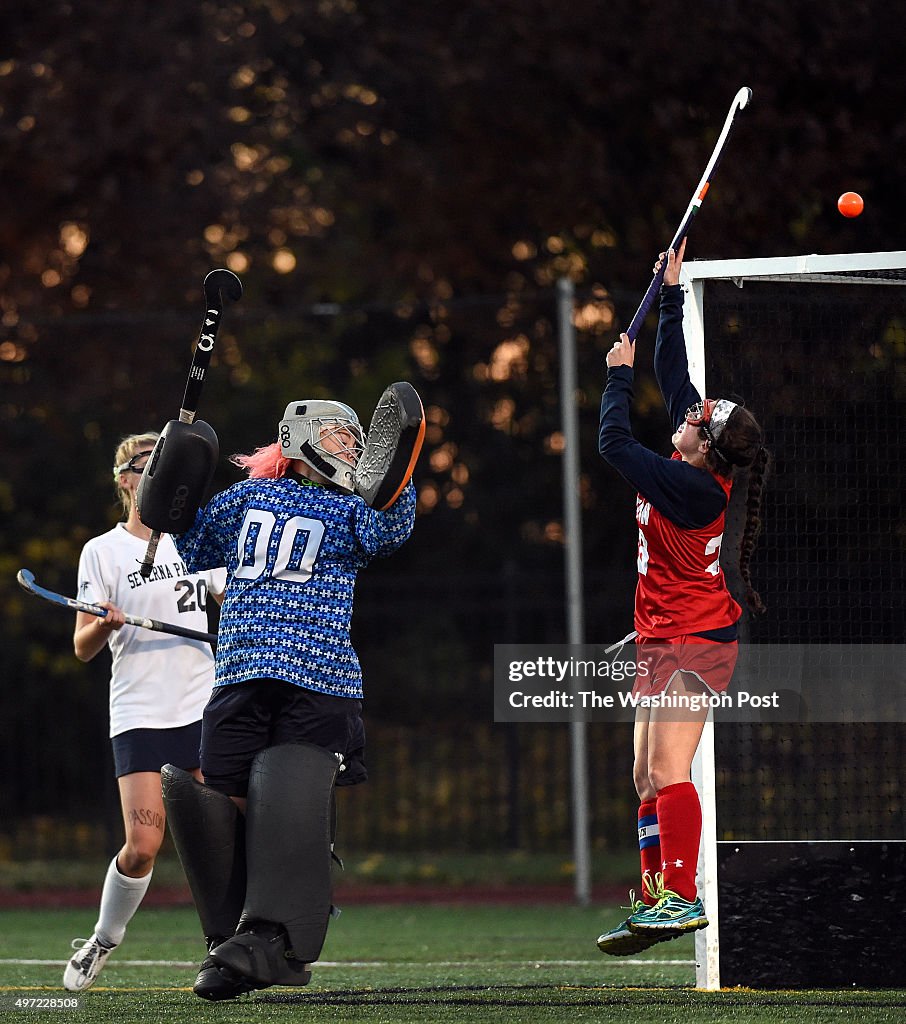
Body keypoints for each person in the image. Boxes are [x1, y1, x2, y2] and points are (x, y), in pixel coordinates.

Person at [158, 398, 416, 1000]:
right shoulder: (245, 498)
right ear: (299, 438)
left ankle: (280, 934)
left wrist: (395, 471)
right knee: (221, 802)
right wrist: (171, 476)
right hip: (242, 671)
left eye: (357, 438)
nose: (351, 445)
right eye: (338, 434)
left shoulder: (354, 507)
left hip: (319, 675)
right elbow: (192, 546)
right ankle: (232, 941)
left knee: (293, 799)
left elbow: (391, 530)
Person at [595, 240, 769, 955]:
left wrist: (614, 377)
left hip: (695, 642)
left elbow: (611, 443)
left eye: (703, 418)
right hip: (662, 635)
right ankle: (656, 898)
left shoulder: (692, 488)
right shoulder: (697, 451)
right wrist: (668, 294)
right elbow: (675, 373)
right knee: (643, 776)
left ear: (706, 449)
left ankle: (685, 896)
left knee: (669, 770)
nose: (694, 411)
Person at [63, 433, 225, 991]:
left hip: (204, 703)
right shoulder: (102, 551)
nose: (156, 473)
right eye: (144, 464)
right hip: (140, 710)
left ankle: (227, 943)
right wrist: (102, 622)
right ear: (124, 480)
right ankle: (103, 939)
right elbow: (83, 647)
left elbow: (230, 603)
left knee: (219, 838)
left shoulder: (198, 540)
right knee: (143, 847)